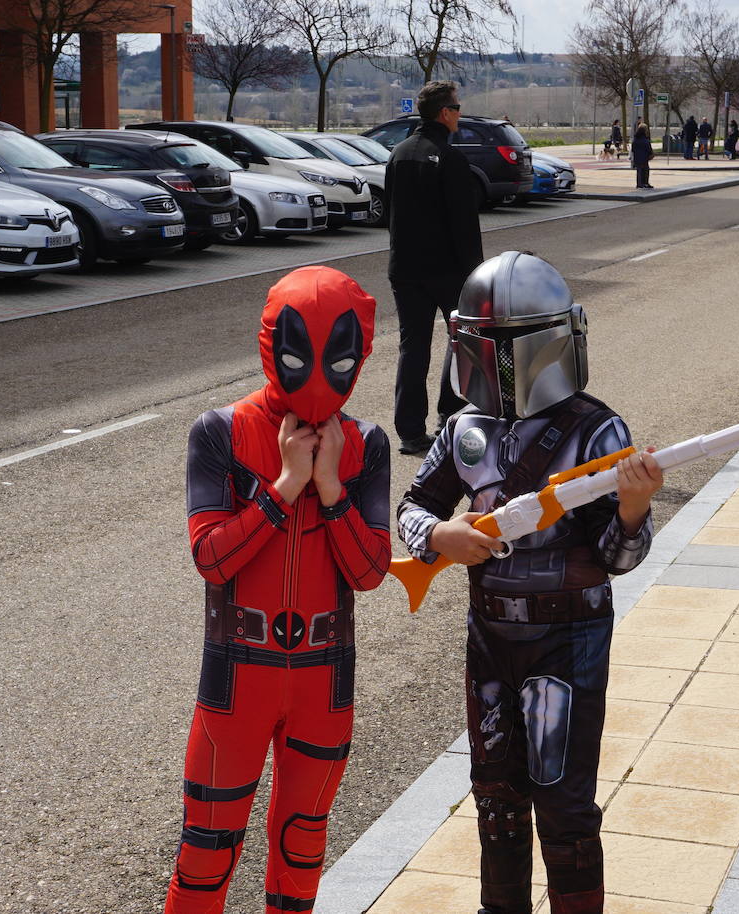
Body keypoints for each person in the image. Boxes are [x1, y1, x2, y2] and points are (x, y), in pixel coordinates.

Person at [397, 251, 663, 914]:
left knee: (564, 808)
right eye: (492, 346)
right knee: (496, 801)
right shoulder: (464, 429)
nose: (505, 364)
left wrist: (633, 506)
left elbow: (617, 558)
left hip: (567, 640)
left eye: (515, 345)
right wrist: (441, 536)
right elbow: (413, 507)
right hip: (490, 637)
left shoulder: (596, 430)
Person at [164, 266, 392, 914]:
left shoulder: (366, 445)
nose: (318, 380)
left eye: (339, 360)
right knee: (207, 852)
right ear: (272, 344)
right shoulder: (221, 430)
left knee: (301, 850)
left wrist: (331, 489)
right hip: (239, 678)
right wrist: (287, 485)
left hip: (322, 679)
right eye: (299, 357)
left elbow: (370, 572)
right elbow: (211, 559)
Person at [385, 80, 481, 455]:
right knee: (459, 341)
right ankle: (449, 418)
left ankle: (409, 432)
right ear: (444, 113)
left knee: (413, 347)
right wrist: (476, 274)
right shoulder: (450, 158)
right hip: (447, 269)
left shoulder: (398, 154)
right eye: (457, 108)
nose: (459, 114)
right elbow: (464, 226)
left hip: (405, 268)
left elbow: (390, 213)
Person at [632, 121, 654, 189]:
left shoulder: (635, 139)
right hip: (644, 157)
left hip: (637, 157)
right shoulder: (645, 139)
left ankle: (640, 183)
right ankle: (645, 183)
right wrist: (651, 153)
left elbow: (633, 149)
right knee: (645, 170)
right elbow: (648, 148)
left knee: (639, 170)